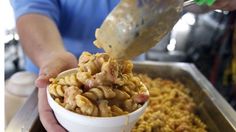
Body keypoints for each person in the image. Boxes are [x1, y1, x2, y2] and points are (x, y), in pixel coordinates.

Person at [10, 0, 236, 131]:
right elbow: (32, 9)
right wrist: (51, 55)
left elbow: (175, 5)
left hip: (124, 69)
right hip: (52, 63)